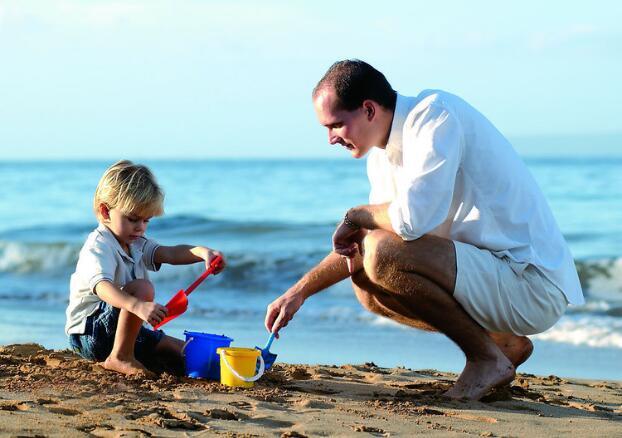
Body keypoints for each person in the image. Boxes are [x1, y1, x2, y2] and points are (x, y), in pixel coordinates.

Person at [265, 59, 583, 400]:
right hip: (490, 278)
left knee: (382, 254)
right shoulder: (381, 156)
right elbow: (366, 245)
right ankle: (498, 344)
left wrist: (356, 215)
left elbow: (410, 221)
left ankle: (485, 359)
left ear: (369, 109)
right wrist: (298, 292)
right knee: (366, 285)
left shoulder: (435, 116)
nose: (330, 138)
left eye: (336, 125)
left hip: (529, 284)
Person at [65, 160, 225, 376]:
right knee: (143, 288)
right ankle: (120, 357)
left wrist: (201, 253)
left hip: (118, 331)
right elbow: (102, 287)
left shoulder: (136, 242)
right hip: (89, 333)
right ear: (105, 212)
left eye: (146, 220)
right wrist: (137, 306)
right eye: (132, 219)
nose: (140, 227)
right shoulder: (99, 245)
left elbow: (170, 253)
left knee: (179, 350)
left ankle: (134, 352)